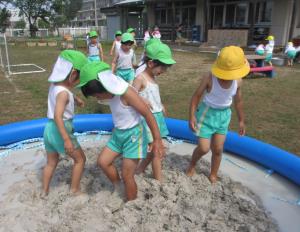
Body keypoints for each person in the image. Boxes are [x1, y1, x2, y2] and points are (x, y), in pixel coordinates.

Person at [77, 61, 166, 201]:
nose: (97, 98)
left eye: (97, 95)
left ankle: (131, 202)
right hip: (119, 133)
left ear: (106, 87)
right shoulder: (113, 87)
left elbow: (148, 114)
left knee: (127, 174)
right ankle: (118, 186)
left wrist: (157, 139)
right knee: (103, 162)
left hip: (134, 136)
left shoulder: (126, 94)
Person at [186, 46, 249, 183]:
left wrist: (241, 121)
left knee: (218, 148)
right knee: (203, 148)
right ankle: (192, 164)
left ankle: (213, 174)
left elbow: (238, 101)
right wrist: (191, 116)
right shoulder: (210, 77)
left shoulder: (237, 81)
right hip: (207, 114)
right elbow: (196, 96)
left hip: (224, 116)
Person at [42, 50, 88, 197]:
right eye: (80, 77)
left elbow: (64, 91)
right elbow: (58, 116)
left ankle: (44, 190)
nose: (80, 81)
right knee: (80, 159)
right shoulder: (63, 93)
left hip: (48, 130)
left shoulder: (55, 85)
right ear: (73, 74)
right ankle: (74, 189)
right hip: (61, 129)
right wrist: (67, 139)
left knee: (51, 162)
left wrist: (76, 99)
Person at [134, 42, 176, 181]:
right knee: (157, 150)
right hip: (148, 119)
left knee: (154, 151)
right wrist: (141, 100)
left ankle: (140, 168)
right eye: (162, 67)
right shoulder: (140, 78)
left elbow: (153, 94)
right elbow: (130, 95)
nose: (164, 71)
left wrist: (161, 104)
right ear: (151, 63)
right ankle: (158, 180)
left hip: (157, 117)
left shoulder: (153, 77)